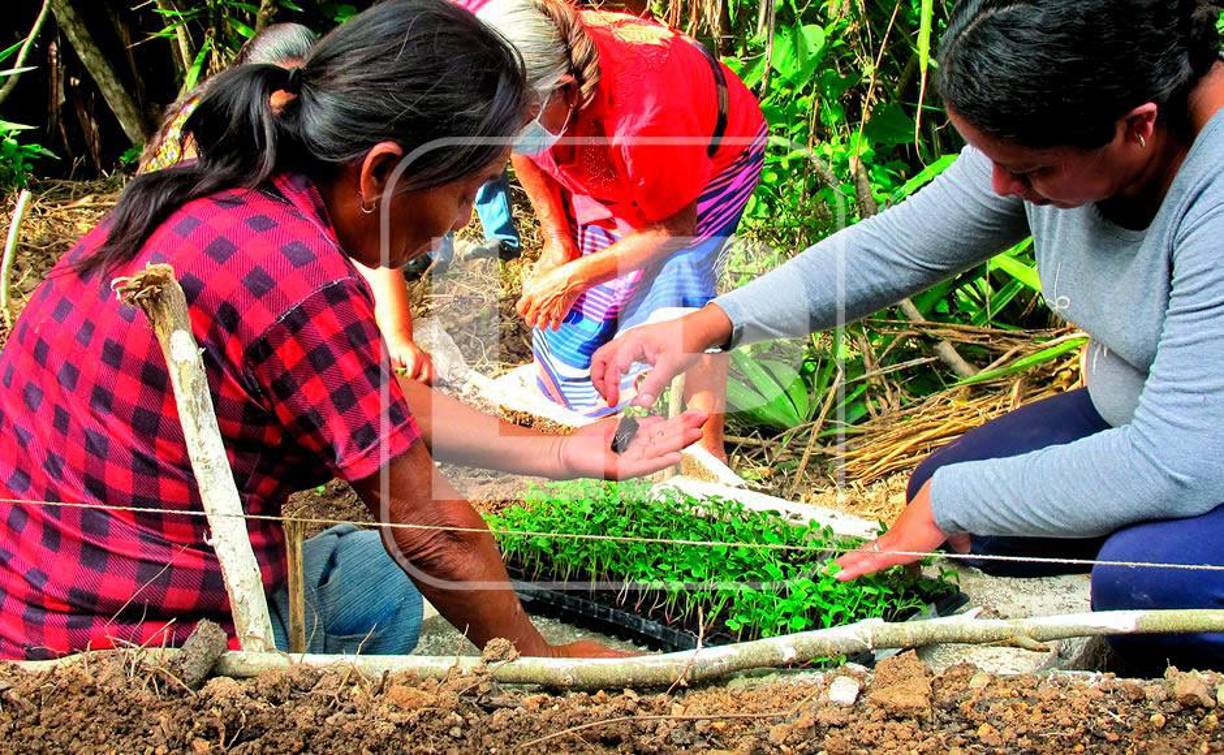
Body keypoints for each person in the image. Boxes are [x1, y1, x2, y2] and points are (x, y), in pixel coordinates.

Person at [0, 0, 705, 661]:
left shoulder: (224, 186)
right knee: (397, 575)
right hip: (126, 643)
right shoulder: (293, 274)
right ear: (381, 173)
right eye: (465, 191)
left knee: (375, 581)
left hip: (36, 586)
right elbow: (432, 533)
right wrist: (540, 658)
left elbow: (374, 396)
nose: (465, 219)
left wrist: (563, 453)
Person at [590, 0, 1224, 672]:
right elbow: (897, 247)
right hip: (1137, 412)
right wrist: (712, 323)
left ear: (1137, 127)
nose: (1003, 186)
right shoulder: (1071, 127)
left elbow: (1173, 463)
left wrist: (949, 501)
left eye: (1031, 170)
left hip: (1187, 452)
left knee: (1146, 582)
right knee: (968, 518)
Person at [474, 0, 767, 460]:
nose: (508, 134)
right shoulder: (529, 78)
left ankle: (707, 458)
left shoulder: (645, 117)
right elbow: (525, 148)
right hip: (604, 155)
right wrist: (559, 244)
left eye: (518, 120)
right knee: (575, 335)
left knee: (671, 306)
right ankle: (607, 437)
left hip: (705, 169)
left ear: (567, 91)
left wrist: (576, 275)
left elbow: (674, 227)